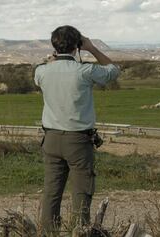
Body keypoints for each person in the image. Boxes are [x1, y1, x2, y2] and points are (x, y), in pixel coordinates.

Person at [34, 25, 120, 233]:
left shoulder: (41, 72)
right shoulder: (85, 71)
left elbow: (45, 68)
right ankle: (79, 232)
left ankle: (47, 233)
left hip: (51, 139)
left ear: (54, 46)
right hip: (78, 141)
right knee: (81, 192)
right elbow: (114, 71)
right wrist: (92, 48)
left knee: (51, 193)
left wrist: (54, 57)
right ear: (77, 45)